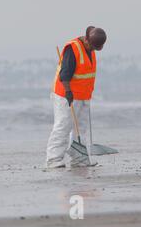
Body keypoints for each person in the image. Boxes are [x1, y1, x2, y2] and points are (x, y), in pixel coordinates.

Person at [46, 26, 107, 168]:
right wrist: (68, 93)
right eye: (92, 46)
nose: (93, 50)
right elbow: (64, 75)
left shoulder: (90, 48)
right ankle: (53, 160)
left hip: (84, 95)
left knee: (81, 128)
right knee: (63, 126)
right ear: (87, 39)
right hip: (66, 94)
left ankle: (79, 159)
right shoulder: (72, 49)